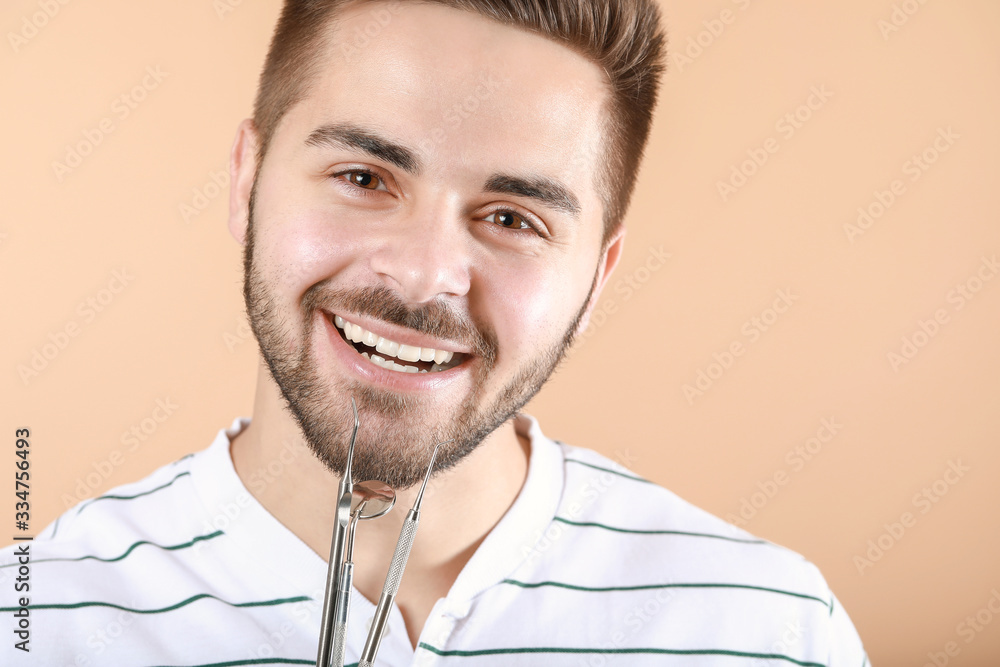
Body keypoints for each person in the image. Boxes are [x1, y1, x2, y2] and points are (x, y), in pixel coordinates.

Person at [1, 1, 871, 664]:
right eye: (363, 175)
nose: (421, 275)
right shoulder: (31, 623)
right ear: (247, 180)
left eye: (512, 216)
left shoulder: (771, 628)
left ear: (597, 277)